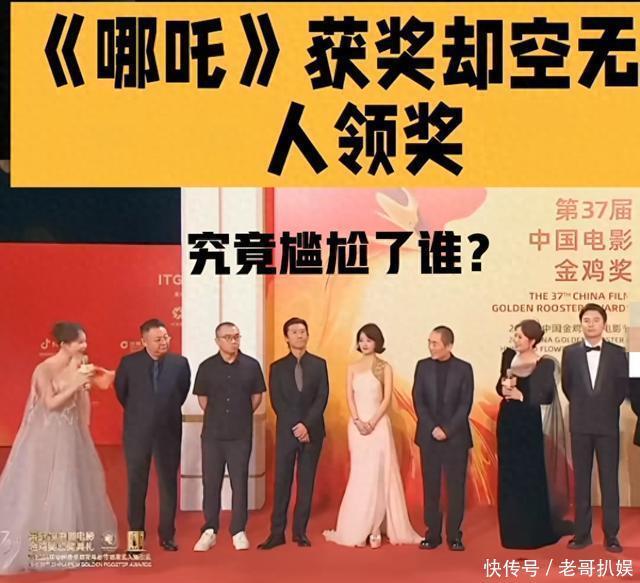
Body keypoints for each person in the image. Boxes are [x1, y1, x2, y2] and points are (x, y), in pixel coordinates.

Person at [0, 322, 117, 574]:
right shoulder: (44, 369)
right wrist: (77, 382)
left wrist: (90, 381)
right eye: (79, 342)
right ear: (64, 344)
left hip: (72, 434)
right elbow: (50, 404)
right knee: (45, 487)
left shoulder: (80, 364)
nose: (84, 346)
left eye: (85, 341)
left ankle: (69, 545)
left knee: (72, 485)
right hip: (47, 436)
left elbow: (95, 390)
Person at [324, 323, 421, 548]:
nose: (364, 344)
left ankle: (376, 527)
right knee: (361, 474)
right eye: (361, 340)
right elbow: (349, 396)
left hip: (378, 425)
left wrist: (372, 422)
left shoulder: (384, 367)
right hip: (357, 427)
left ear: (377, 342)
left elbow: (386, 399)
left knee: (379, 474)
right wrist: (358, 421)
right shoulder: (352, 367)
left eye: (369, 340)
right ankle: (361, 526)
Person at [114, 318, 191, 552]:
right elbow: (122, 393)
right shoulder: (129, 364)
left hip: (168, 432)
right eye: (158, 339)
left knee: (168, 484)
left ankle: (167, 535)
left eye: (166, 337)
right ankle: (136, 540)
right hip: (137, 433)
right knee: (137, 486)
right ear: (144, 341)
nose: (163, 342)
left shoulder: (180, 364)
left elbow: (182, 392)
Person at [496, 319, 572, 549]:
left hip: (527, 423)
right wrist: (503, 389)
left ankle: (532, 532)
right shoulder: (508, 357)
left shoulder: (544, 364)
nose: (516, 340)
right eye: (515, 335)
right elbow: (499, 386)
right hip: (508, 421)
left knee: (529, 473)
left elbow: (546, 396)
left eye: (520, 336)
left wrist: (522, 396)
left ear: (532, 341)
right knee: (509, 474)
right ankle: (511, 531)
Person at [192, 322, 266, 552]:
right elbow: (203, 399)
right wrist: (218, 417)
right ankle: (210, 529)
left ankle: (238, 530)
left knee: (239, 482)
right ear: (217, 341)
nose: (233, 341)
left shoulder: (251, 366)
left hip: (240, 435)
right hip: (212, 435)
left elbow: (257, 397)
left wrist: (240, 415)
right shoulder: (206, 367)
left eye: (236, 336)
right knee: (211, 482)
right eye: (228, 337)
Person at [561, 303, 628, 553]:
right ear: (581, 324)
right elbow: (567, 386)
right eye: (586, 320)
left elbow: (622, 389)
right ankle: (582, 534)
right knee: (581, 481)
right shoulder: (570, 353)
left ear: (604, 324)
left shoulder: (618, 353)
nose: (591, 324)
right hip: (580, 424)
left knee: (609, 481)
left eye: (596, 320)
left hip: (607, 424)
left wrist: (604, 406)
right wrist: (585, 406)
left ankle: (611, 535)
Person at [258, 317, 329, 549]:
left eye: (302, 331)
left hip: (313, 432)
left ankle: (300, 532)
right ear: (286, 338)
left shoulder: (319, 364)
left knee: (306, 483)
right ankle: (277, 533)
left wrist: (306, 425)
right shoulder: (277, 368)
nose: (300, 335)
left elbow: (322, 397)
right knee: (282, 483)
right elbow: (277, 402)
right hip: (288, 433)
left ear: (307, 335)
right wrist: (297, 428)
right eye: (294, 332)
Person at [412, 325, 473, 551]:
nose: (431, 347)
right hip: (429, 437)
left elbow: (465, 404)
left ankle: (454, 535)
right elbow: (418, 400)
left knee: (456, 488)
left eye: (435, 343)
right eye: (429, 342)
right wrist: (432, 427)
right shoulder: (423, 366)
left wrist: (447, 429)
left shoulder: (464, 369)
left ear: (449, 346)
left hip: (455, 438)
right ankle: (432, 534)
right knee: (431, 487)